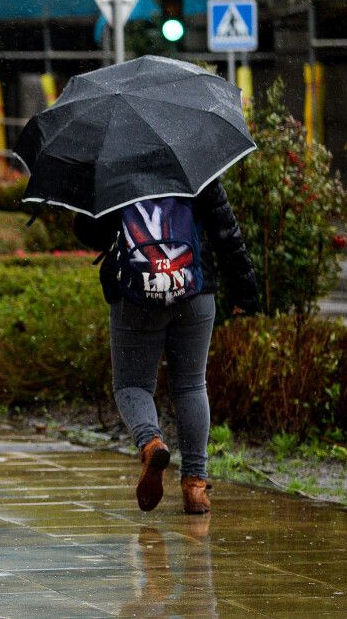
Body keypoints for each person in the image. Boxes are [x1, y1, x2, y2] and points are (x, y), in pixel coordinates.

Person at [73, 179, 258, 515]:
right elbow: (227, 232)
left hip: (136, 295)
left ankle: (152, 442)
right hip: (195, 291)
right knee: (190, 385)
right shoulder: (193, 165)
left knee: (132, 384)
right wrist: (245, 291)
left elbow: (91, 233)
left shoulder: (117, 168)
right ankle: (195, 486)